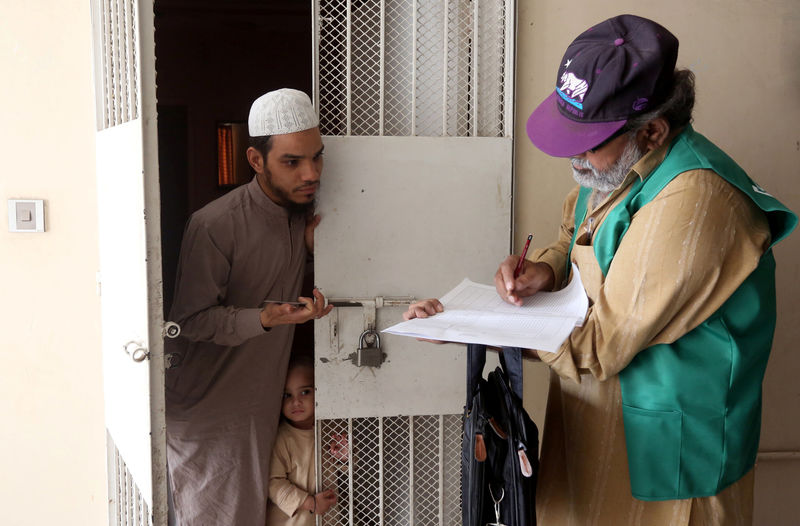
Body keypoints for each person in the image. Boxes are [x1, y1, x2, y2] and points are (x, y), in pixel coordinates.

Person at [404, 14, 797, 526]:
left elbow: (598, 345)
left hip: (671, 457)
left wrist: (468, 327)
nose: (573, 159)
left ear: (652, 130)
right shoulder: (619, 165)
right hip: (598, 425)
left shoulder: (697, 201)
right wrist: (544, 270)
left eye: (585, 142)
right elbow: (575, 235)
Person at [164, 88, 334, 526]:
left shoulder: (302, 216)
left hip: (262, 406)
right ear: (256, 161)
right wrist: (265, 318)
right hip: (211, 412)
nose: (310, 173)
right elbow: (190, 321)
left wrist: (312, 253)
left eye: (316, 157)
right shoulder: (215, 224)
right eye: (292, 162)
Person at [267, 355, 338, 525]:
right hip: (293, 521)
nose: (296, 402)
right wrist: (310, 503)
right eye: (287, 395)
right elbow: (273, 483)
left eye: (305, 392)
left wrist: (344, 457)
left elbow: (348, 471)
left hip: (327, 517)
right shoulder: (281, 437)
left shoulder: (330, 430)